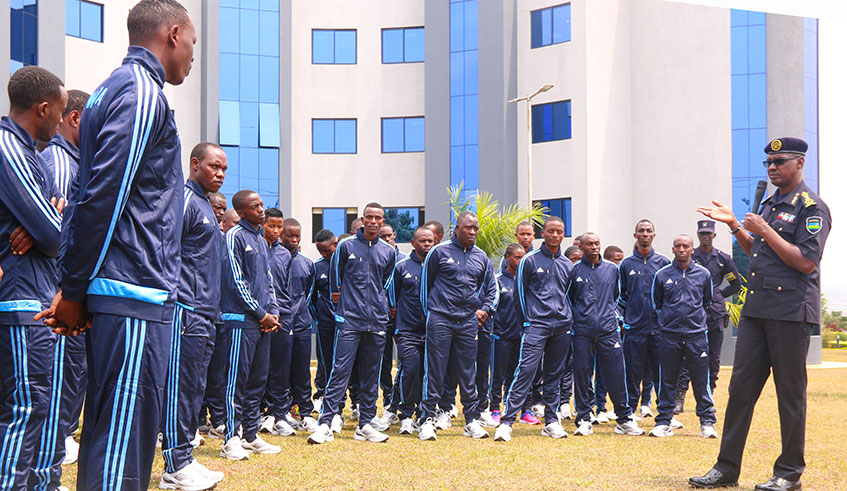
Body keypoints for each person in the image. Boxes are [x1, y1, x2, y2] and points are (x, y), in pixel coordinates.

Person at [35, 1, 196, 487]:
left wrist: (74, 286)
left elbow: (85, 198)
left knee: (110, 436)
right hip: (133, 289)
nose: (192, 54)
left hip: (120, 289)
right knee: (121, 444)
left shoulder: (109, 90)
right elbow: (103, 196)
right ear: (172, 34)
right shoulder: (142, 92)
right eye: (192, 42)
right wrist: (76, 289)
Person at [690, 137, 831, 491]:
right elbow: (759, 254)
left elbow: (804, 261)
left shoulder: (811, 208)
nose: (771, 168)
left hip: (789, 312)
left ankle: (788, 473)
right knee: (740, 390)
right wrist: (737, 226)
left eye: (779, 161)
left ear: (799, 163)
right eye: (768, 162)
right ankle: (726, 468)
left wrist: (765, 229)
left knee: (790, 394)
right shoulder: (769, 205)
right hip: (757, 311)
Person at [0, 65, 66, 491]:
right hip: (20, 298)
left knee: (34, 405)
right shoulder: (10, 148)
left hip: (34, 295)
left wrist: (50, 220)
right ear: (42, 108)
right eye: (59, 113)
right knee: (24, 407)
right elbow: (54, 234)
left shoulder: (31, 155)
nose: (60, 122)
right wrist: (51, 219)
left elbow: (48, 229)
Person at [160, 142, 227, 490]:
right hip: (185, 310)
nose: (219, 174)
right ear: (195, 163)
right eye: (214, 166)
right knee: (180, 388)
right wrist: (178, 300)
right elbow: (165, 251)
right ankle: (173, 464)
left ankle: (185, 455)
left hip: (206, 313)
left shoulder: (205, 205)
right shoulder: (184, 200)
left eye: (224, 169)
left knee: (195, 387)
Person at [308, 203, 396, 444]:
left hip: (377, 321)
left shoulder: (388, 252)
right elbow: (335, 281)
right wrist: (343, 308)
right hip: (350, 320)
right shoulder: (346, 247)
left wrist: (378, 306)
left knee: (371, 374)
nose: (374, 221)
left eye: (378, 218)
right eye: (369, 217)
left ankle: (365, 424)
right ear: (363, 219)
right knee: (340, 372)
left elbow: (385, 283)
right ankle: (325, 423)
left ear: (383, 220)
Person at [35, 88, 88, 474]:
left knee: (74, 368)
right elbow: (50, 223)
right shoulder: (57, 160)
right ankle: (53, 440)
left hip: (68, 286)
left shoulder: (78, 162)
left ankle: (61, 436)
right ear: (73, 119)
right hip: (54, 288)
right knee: (59, 369)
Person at [417, 212, 498, 441]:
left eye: (476, 229)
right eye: (468, 228)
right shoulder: (439, 252)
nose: (472, 232)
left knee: (468, 371)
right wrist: (432, 315)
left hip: (467, 322)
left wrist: (482, 310)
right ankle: (427, 420)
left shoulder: (481, 257)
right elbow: (425, 288)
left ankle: (471, 420)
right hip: (440, 319)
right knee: (435, 370)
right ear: (456, 228)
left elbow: (488, 287)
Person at [494, 217, 573, 442]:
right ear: (543, 233)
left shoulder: (567, 264)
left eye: (559, 231)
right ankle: (506, 422)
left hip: (561, 327)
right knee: (526, 371)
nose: (555, 235)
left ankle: (551, 421)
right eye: (551, 231)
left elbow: (568, 295)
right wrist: (527, 322)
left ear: (563, 234)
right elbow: (519, 295)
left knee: (554, 374)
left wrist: (566, 319)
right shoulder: (529, 260)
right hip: (536, 325)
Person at [219, 190, 282, 460]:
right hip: (240, 322)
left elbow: (267, 281)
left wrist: (273, 312)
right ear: (241, 212)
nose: (261, 209)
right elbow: (235, 280)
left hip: (262, 323)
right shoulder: (234, 237)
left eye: (262, 205)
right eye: (255, 206)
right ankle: (230, 437)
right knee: (237, 380)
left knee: (258, 379)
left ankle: (251, 435)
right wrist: (259, 313)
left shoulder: (259, 238)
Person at [569, 233, 644, 437]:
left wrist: (610, 317)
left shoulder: (612, 269)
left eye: (597, 244)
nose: (594, 247)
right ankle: (584, 418)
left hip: (608, 331)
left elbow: (617, 296)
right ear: (581, 247)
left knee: (616, 374)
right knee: (583, 375)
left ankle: (624, 419)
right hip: (582, 331)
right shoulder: (573, 270)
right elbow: (570, 299)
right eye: (589, 244)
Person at [648, 235, 717, 439]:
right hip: (669, 336)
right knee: (667, 380)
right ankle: (664, 422)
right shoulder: (662, 275)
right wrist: (670, 321)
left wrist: (694, 322)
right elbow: (657, 303)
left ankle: (707, 423)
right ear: (672, 249)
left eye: (685, 246)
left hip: (696, 336)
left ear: (692, 249)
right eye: (677, 246)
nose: (681, 249)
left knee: (700, 380)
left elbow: (707, 301)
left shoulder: (703, 274)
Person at [675, 220, 741, 413]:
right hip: (691, 315)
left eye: (708, 233)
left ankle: (707, 399)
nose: (705, 236)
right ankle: (679, 398)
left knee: (713, 359)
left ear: (714, 235)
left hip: (714, 315)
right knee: (686, 358)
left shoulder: (723, 259)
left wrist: (718, 295)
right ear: (697, 235)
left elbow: (735, 283)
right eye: (702, 233)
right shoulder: (689, 256)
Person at [619, 219, 670, 420]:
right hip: (634, 328)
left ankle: (665, 412)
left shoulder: (664, 263)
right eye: (641, 231)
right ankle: (630, 411)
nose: (645, 234)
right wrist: (624, 320)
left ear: (654, 235)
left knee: (661, 372)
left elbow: (670, 296)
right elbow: (619, 296)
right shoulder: (626, 264)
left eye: (649, 231)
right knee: (633, 371)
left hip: (659, 328)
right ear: (635, 235)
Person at [387, 226, 435, 434]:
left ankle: (424, 415)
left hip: (433, 331)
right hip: (407, 330)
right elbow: (391, 297)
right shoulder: (402, 266)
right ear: (413, 243)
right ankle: (405, 415)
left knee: (428, 374)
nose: (427, 244)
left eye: (430, 241)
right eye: (423, 241)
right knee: (411, 371)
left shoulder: (438, 266)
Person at [259, 208, 296, 437]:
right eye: (271, 226)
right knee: (259, 369)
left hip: (283, 317)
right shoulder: (255, 246)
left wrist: (282, 314)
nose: (275, 231)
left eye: (278, 227)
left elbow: (287, 287)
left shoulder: (285, 254)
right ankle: (258, 413)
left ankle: (279, 414)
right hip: (259, 316)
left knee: (281, 369)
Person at [279, 218, 317, 430]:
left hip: (302, 323)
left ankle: (305, 411)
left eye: (297, 236)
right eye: (289, 236)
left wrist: (298, 312)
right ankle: (280, 410)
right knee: (280, 370)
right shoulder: (272, 258)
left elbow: (308, 293)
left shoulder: (307, 263)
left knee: (303, 369)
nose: (293, 240)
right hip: (280, 323)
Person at [490, 244, 525, 424]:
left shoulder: (525, 280)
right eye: (517, 257)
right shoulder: (498, 280)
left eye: (522, 257)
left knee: (519, 374)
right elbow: (492, 307)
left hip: (521, 336)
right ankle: (495, 408)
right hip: (501, 336)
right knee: (498, 374)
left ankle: (519, 409)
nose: (520, 261)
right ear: (507, 258)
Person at [378, 223, 403, 427]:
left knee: (405, 363)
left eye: (389, 235)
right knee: (383, 363)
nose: (387, 239)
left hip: (404, 320)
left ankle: (401, 401)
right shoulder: (378, 256)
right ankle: (388, 401)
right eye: (382, 236)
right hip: (382, 318)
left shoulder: (404, 260)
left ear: (394, 235)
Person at [310, 229, 338, 404]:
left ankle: (355, 399)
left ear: (335, 244)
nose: (324, 254)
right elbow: (311, 297)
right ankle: (322, 394)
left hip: (349, 323)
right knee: (325, 360)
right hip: (325, 324)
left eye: (327, 250)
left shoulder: (346, 263)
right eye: (320, 251)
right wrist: (319, 318)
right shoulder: (317, 266)